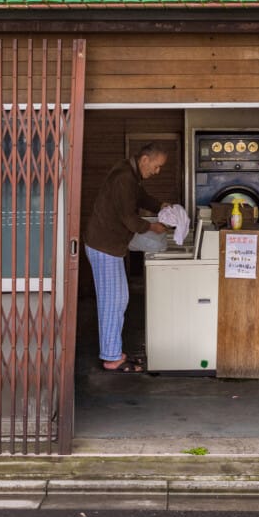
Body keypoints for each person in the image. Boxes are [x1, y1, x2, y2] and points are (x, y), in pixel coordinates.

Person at [84, 143, 169, 372]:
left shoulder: (129, 172)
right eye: (157, 166)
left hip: (110, 245)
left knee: (119, 298)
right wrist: (154, 227)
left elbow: (140, 197)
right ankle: (111, 357)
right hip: (104, 246)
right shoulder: (125, 178)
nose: (157, 171)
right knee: (112, 300)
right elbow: (129, 219)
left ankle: (114, 351)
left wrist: (161, 205)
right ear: (144, 160)